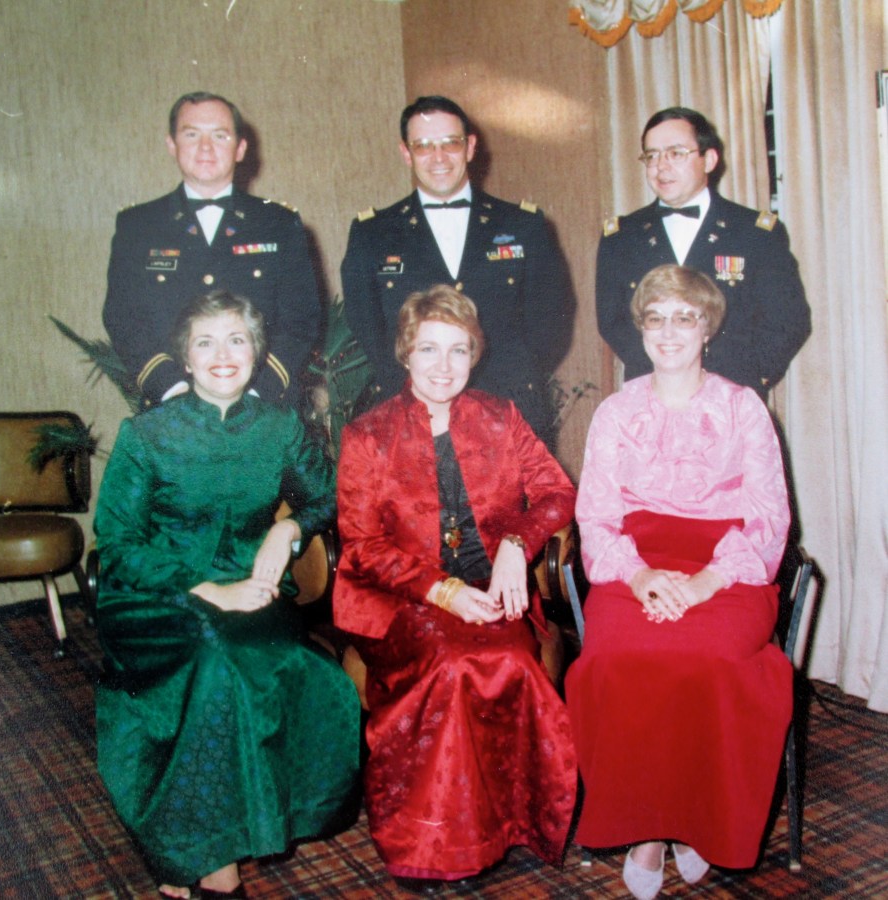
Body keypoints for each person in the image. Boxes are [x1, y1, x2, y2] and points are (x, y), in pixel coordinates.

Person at [94, 291, 360, 899]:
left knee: (298, 668)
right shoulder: (147, 434)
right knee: (216, 663)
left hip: (257, 589)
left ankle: (228, 830)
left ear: (257, 353)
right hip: (153, 595)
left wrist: (288, 531)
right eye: (205, 342)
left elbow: (327, 498)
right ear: (184, 359)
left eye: (236, 339)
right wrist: (209, 588)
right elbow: (117, 541)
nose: (222, 354)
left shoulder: (280, 428)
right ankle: (211, 863)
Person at [332, 286, 578, 890]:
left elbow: (557, 493)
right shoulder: (368, 434)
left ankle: (509, 823)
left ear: (476, 354)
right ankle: (432, 842)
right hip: (403, 599)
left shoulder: (501, 417)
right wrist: (442, 592)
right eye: (429, 349)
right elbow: (362, 547)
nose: (444, 366)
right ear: (404, 354)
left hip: (494, 589)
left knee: (514, 660)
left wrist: (517, 546)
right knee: (451, 663)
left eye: (459, 350)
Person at [565, 265, 793, 899]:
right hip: (634, 564)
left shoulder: (743, 407)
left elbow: (771, 515)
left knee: (711, 658)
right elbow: (597, 516)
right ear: (640, 329)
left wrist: (705, 584)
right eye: (656, 318)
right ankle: (645, 829)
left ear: (706, 328)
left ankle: (699, 820)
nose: (670, 331)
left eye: (684, 317)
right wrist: (638, 577)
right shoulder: (615, 412)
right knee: (620, 656)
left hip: (730, 566)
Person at [340, 95, 575, 446]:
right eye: (423, 146)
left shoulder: (524, 225)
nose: (438, 158)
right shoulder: (372, 233)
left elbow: (552, 318)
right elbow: (367, 326)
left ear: (470, 147)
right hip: (412, 414)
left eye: (450, 143)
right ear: (406, 153)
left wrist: (508, 376)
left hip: (510, 410)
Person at [103, 91, 320, 409]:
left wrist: (258, 393)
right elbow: (123, 317)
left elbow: (301, 317)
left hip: (264, 409)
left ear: (241, 148)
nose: (205, 148)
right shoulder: (138, 227)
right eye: (192, 135)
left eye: (220, 135)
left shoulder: (278, 223)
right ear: (171, 145)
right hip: (172, 410)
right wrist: (171, 389)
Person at [595, 106, 810, 397]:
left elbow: (787, 321)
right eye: (652, 156)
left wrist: (743, 381)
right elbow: (613, 322)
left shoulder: (755, 234)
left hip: (732, 396)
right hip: (653, 397)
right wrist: (667, 374)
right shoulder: (621, 238)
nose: (661, 167)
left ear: (708, 159)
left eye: (676, 153)